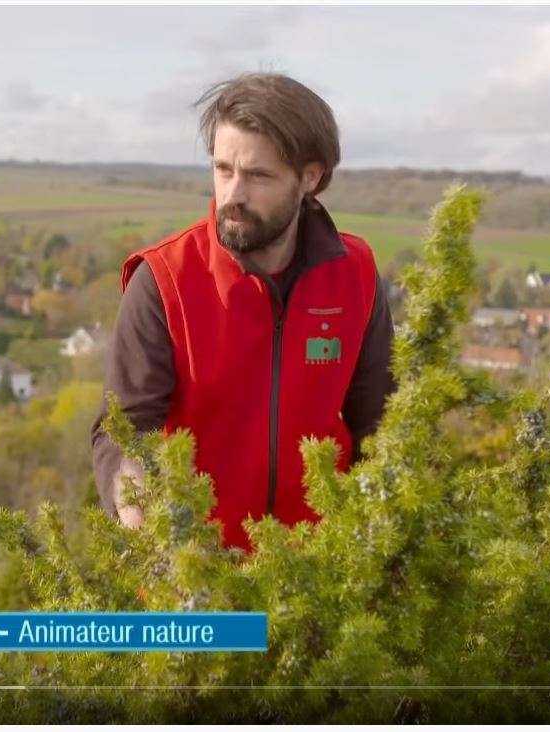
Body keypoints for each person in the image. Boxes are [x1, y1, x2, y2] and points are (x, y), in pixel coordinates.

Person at [90, 72, 397, 552]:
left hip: (322, 585)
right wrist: (149, 532)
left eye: (257, 175)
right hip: (196, 584)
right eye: (223, 169)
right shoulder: (163, 281)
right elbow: (126, 432)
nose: (233, 194)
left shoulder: (354, 274)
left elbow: (379, 424)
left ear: (310, 178)